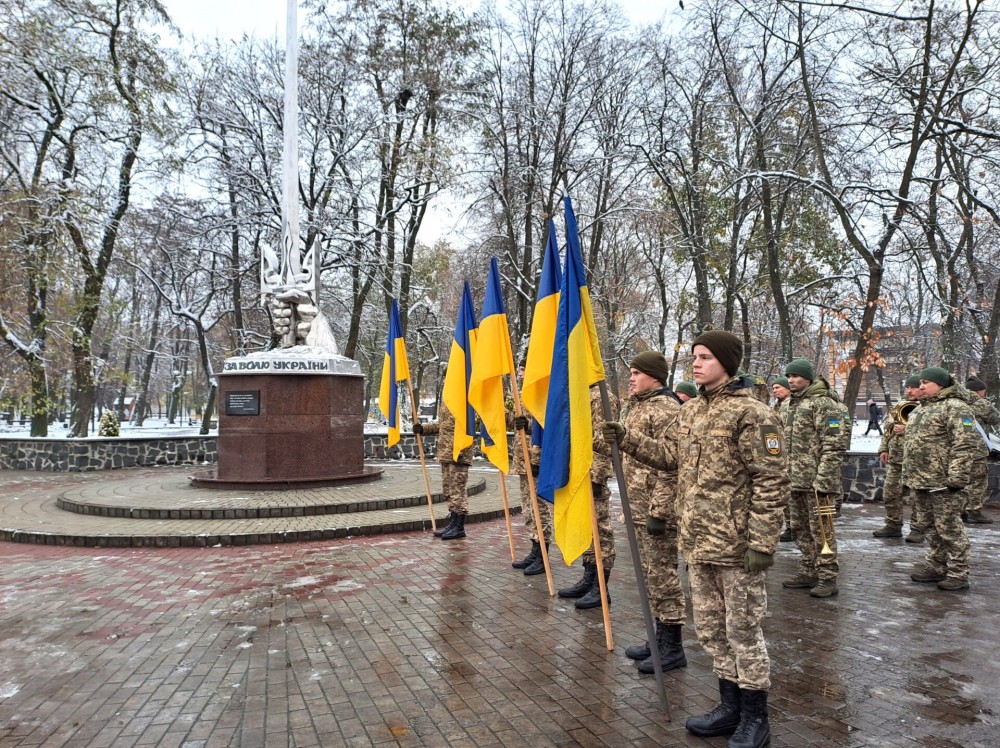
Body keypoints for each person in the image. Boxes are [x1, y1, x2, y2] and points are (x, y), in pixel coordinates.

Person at [603, 330, 788, 748]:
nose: (696, 364)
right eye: (694, 356)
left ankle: (755, 718)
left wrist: (762, 542)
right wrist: (627, 438)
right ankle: (729, 706)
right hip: (698, 542)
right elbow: (670, 459)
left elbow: (772, 480)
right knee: (711, 630)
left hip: (736, 547)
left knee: (743, 631)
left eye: (705, 357)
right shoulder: (691, 411)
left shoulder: (754, 414)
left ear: (727, 362)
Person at [603, 351, 687, 675]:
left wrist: (660, 511)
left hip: (656, 511)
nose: (631, 378)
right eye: (631, 372)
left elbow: (672, 465)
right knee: (651, 578)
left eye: (637, 373)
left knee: (663, 577)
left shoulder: (667, 408)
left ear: (654, 376)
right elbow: (624, 448)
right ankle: (657, 640)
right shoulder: (637, 405)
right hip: (637, 506)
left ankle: (673, 648)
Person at [901, 367, 982, 591]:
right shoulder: (921, 409)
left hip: (943, 482)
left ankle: (958, 572)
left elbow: (964, 444)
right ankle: (937, 566)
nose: (921, 386)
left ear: (941, 385)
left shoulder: (956, 407)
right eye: (920, 382)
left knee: (949, 528)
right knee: (928, 525)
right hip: (921, 480)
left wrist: (957, 476)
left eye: (926, 382)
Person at [781, 358, 850, 598]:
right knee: (799, 529)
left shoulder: (825, 404)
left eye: (796, 376)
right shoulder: (788, 405)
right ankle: (808, 570)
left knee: (823, 531)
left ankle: (828, 577)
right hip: (794, 481)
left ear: (808, 378)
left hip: (818, 483)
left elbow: (835, 444)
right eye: (789, 376)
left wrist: (824, 480)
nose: (791, 380)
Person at [557, 384, 617, 610]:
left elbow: (603, 441)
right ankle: (589, 578)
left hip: (592, 472)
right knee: (585, 527)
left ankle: (601, 587)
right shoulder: (579, 391)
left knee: (600, 530)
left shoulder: (601, 396)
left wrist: (597, 476)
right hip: (579, 471)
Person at [509, 368, 551, 575]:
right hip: (523, 461)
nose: (520, 373)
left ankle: (543, 554)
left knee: (539, 509)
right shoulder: (523, 394)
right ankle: (535, 549)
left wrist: (529, 426)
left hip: (537, 460)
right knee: (528, 508)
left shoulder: (543, 392)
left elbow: (548, 423)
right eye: (519, 369)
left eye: (524, 369)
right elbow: (515, 421)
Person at [413, 402, 473, 540]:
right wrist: (423, 429)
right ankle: (453, 523)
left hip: (459, 453)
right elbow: (442, 425)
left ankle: (459, 527)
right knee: (448, 491)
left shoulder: (464, 400)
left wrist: (461, 449)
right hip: (446, 453)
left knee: (458, 491)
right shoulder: (448, 401)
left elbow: (469, 425)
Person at [875, 375, 922, 539]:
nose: (910, 390)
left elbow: (931, 432)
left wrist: (907, 430)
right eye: (908, 387)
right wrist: (883, 448)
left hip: (917, 461)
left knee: (918, 498)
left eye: (914, 387)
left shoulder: (927, 408)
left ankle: (917, 529)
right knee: (890, 494)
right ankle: (893, 525)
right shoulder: (899, 406)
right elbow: (888, 429)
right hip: (896, 460)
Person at [961, 376, 997, 525]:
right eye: (983, 391)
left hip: (958, 449)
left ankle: (961, 510)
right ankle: (973, 512)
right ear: (978, 391)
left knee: (962, 480)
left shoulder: (956, 403)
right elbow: (995, 419)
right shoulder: (982, 403)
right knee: (978, 481)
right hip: (977, 449)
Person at [772, 377, 793, 542]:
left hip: (791, 457)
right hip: (779, 455)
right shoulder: (777, 406)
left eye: (778, 387)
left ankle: (794, 527)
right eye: (773, 388)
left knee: (790, 494)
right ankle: (791, 526)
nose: (775, 391)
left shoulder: (790, 406)